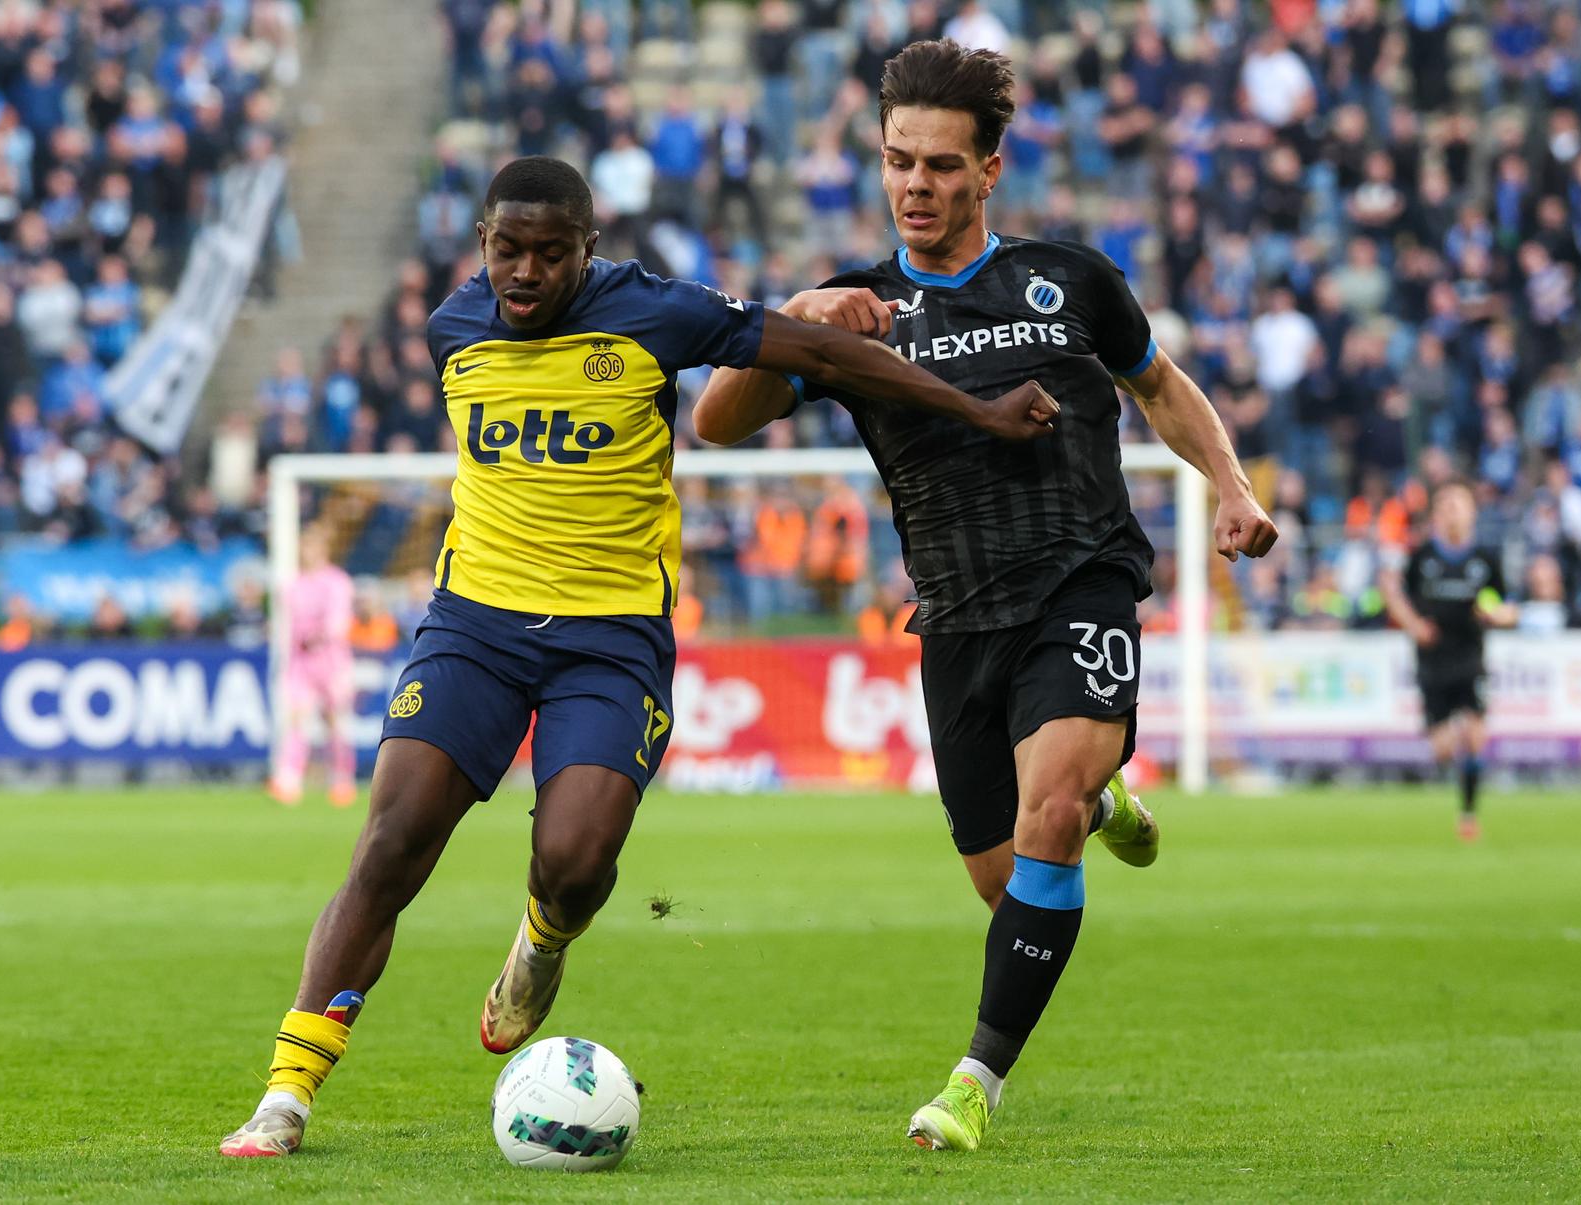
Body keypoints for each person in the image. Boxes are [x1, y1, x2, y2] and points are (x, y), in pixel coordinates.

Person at [218, 155, 1057, 1158]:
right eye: (507, 251)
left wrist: (975, 408)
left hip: (610, 639)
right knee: (393, 838)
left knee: (574, 862)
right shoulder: (455, 328)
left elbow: (818, 357)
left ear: (589, 250)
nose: (524, 274)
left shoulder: (653, 312)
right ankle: (288, 1091)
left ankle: (544, 935)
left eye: (550, 253)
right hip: (473, 624)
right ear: (482, 243)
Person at [693, 40, 1280, 1153]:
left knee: (1046, 808)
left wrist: (1232, 489)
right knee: (1006, 876)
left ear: (990, 170)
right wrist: (803, 313)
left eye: (942, 166)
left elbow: (1158, 383)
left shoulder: (1071, 282)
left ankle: (972, 1082)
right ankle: (1106, 799)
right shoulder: (856, 312)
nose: (916, 185)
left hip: (1084, 578)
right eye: (897, 161)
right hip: (957, 619)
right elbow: (715, 423)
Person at [1381, 481, 1516, 842]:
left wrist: (1495, 616)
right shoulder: (1423, 557)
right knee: (1443, 748)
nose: (1452, 510)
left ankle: (1469, 816)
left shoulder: (1485, 560)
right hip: (1432, 661)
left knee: (1474, 736)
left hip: (1470, 657)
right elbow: (1395, 595)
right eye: (1445, 504)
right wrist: (1414, 625)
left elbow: (1507, 607)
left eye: (1459, 502)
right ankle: (1455, 767)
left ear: (1472, 511)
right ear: (1437, 515)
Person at [271, 524, 358, 807]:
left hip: (331, 660)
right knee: (297, 716)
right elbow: (287, 625)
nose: (306, 553)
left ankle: (342, 779)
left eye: (312, 547)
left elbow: (339, 623)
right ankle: (289, 778)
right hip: (301, 662)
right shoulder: (293, 584)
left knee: (334, 721)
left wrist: (319, 636)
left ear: (323, 550)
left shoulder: (337, 581)